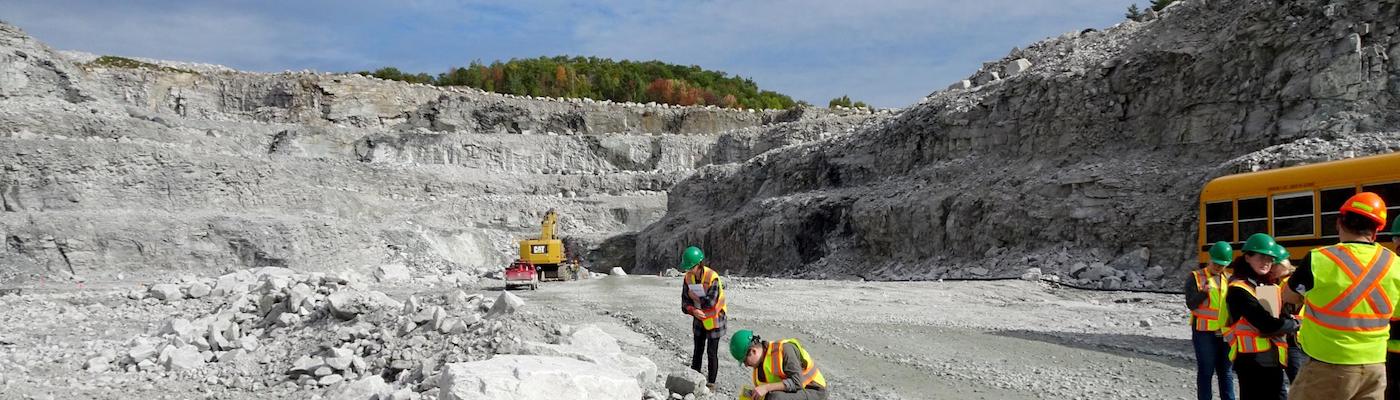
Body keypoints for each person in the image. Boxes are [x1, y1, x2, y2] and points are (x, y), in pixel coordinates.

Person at [1285, 192, 1400, 400]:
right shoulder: (1394, 264)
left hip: (1327, 365)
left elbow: (1290, 296)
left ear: (1339, 223)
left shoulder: (1318, 259)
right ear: (1375, 232)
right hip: (1375, 366)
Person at [1222, 233, 1299, 400]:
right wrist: (1295, 324)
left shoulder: (1267, 285)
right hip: (1252, 361)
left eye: (1270, 258)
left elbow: (1279, 315)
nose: (1267, 262)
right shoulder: (1239, 289)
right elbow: (1265, 324)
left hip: (1272, 358)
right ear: (1248, 256)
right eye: (1262, 257)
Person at [1187, 241, 1237, 400]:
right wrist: (1203, 293)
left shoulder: (1230, 279)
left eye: (1222, 264)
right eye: (1215, 263)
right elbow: (1191, 304)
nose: (1218, 266)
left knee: (1226, 372)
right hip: (1204, 333)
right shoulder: (1195, 277)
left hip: (1225, 333)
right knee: (1206, 371)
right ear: (1209, 259)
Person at [730, 329, 827, 400]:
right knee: (748, 394)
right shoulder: (759, 366)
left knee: (775, 398)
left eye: (745, 361)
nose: (746, 365)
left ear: (753, 351)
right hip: (793, 392)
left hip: (813, 391)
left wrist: (766, 388)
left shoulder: (784, 350)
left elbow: (797, 383)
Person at [679, 245, 726, 391]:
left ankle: (711, 384)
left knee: (712, 353)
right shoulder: (688, 278)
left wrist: (696, 297)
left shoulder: (712, 277)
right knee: (697, 350)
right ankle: (694, 379)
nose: (688, 270)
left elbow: (711, 302)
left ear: (699, 264)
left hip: (716, 319)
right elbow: (684, 303)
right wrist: (693, 310)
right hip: (698, 318)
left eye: (690, 267)